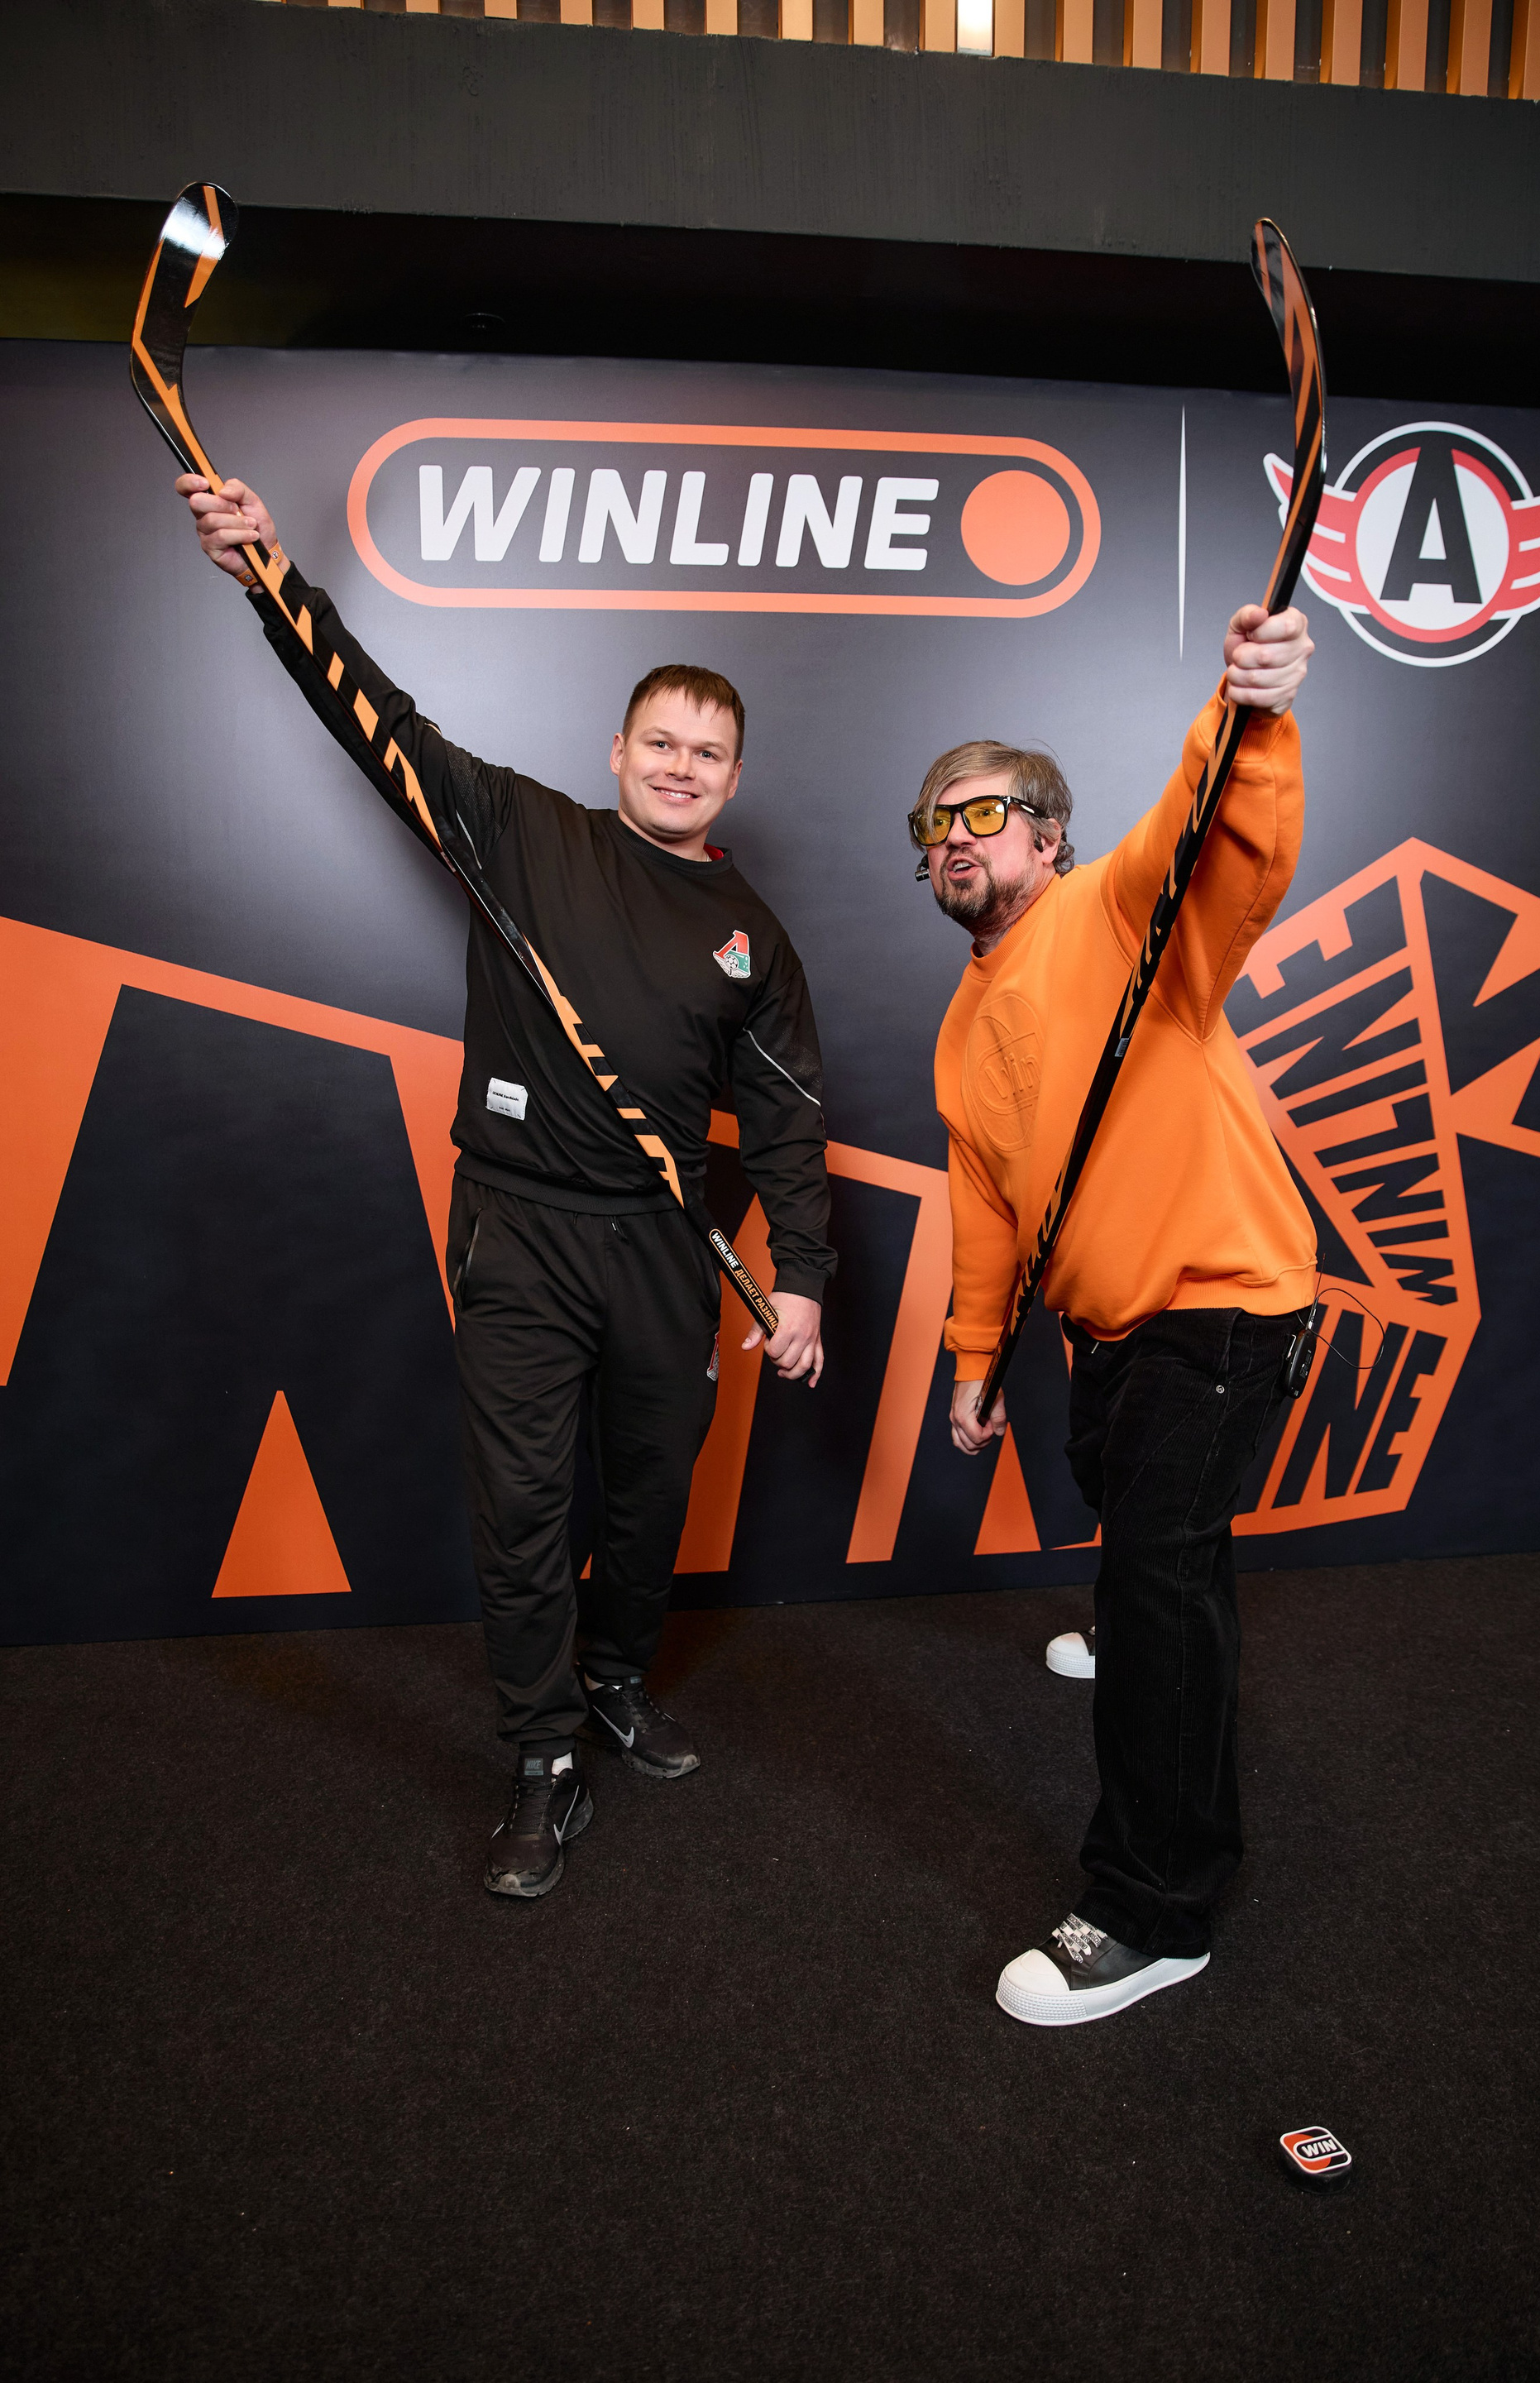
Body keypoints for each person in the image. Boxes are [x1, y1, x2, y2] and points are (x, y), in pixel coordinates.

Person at [177, 472, 835, 1902]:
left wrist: (800, 1280)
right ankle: (542, 1754)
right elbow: (375, 718)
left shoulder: (752, 934)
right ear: (617, 750)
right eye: (660, 741)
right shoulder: (521, 830)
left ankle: (613, 1678)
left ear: (733, 777)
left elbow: (789, 1119)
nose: (680, 767)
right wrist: (272, 576)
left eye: (707, 753)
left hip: (666, 1247)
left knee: (648, 1499)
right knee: (525, 1504)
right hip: (522, 1230)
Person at [914, 602, 1317, 2027]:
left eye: (982, 812)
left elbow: (1213, 839)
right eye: (933, 825)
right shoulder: (964, 1024)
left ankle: (1154, 1910)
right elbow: (986, 1208)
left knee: (1158, 1587)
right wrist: (974, 1361)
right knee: (1141, 1535)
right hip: (1109, 1331)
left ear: (1049, 837)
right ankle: (1150, 1618)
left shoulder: (1113, 915)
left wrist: (1249, 714)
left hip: (1220, 1306)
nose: (953, 837)